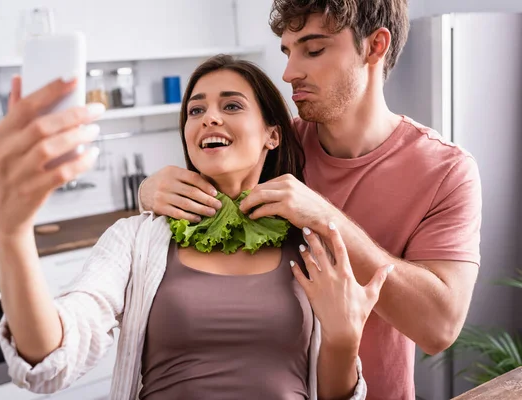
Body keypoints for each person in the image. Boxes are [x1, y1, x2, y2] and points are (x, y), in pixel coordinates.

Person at [0, 55, 393, 400]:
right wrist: (12, 233)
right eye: (195, 111)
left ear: (272, 135)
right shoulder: (136, 239)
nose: (209, 117)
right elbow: (50, 358)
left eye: (231, 106)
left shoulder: (311, 245)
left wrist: (343, 339)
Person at [137, 1, 482, 400]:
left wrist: (323, 216)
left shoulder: (445, 170)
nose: (288, 73)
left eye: (313, 50)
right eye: (287, 51)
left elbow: (439, 327)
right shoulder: (272, 144)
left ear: (374, 47)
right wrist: (148, 191)